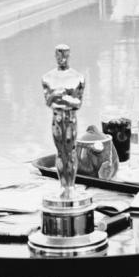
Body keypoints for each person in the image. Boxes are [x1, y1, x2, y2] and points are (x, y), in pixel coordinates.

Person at [41, 44, 86, 196]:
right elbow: (48, 102)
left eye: (64, 55)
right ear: (55, 56)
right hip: (57, 118)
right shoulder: (47, 77)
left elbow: (78, 103)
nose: (62, 58)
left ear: (69, 55)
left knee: (71, 151)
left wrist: (59, 96)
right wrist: (61, 96)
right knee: (60, 152)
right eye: (59, 55)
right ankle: (63, 186)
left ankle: (71, 186)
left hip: (71, 119)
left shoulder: (78, 77)